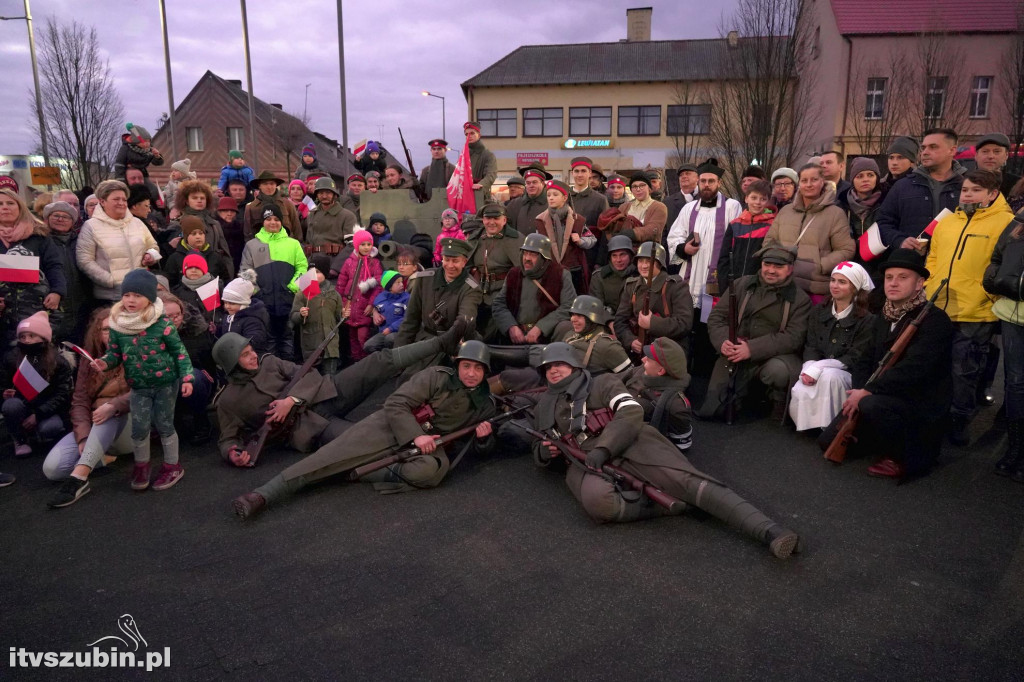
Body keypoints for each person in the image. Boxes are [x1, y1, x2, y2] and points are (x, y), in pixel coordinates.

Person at [528, 343, 799, 558]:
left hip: (631, 443)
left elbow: (631, 410)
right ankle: (674, 506)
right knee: (598, 503)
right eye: (548, 367)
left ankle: (770, 532)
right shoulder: (544, 406)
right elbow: (540, 445)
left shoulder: (602, 383)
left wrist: (604, 448)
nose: (553, 370)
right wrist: (543, 452)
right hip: (585, 464)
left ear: (574, 364)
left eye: (559, 364)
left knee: (690, 483)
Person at [231, 338, 495, 518]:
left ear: (485, 372)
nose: (471, 373)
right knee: (325, 459)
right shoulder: (437, 376)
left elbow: (479, 447)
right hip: (393, 425)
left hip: (429, 446)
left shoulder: (485, 403)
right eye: (466, 366)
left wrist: (483, 439)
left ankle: (361, 472)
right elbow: (396, 403)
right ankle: (263, 495)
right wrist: (416, 435)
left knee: (434, 472)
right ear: (457, 365)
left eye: (478, 369)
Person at [820, 249, 953, 480]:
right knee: (826, 442)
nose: (893, 283)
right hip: (882, 393)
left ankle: (901, 457)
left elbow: (915, 369)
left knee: (872, 405)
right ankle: (877, 439)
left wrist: (867, 393)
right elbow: (865, 359)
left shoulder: (936, 320)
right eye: (889, 277)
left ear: (919, 283)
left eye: (903, 277)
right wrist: (859, 392)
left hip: (918, 401)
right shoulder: (884, 315)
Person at [925, 169, 1012, 445]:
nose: (967, 194)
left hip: (976, 311)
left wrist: (989, 297)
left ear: (992, 193)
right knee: (936, 366)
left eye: (975, 190)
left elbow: (1005, 267)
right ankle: (935, 416)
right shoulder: (948, 222)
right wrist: (929, 285)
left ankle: (959, 420)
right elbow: (933, 257)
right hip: (939, 305)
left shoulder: (1006, 223)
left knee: (965, 370)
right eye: (965, 190)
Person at [91, 269, 194, 491]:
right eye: (127, 295)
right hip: (138, 386)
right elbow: (115, 354)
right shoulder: (119, 325)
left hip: (166, 383)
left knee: (165, 424)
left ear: (149, 297)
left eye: (137, 295)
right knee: (139, 427)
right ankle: (141, 465)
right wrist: (104, 362)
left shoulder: (162, 323)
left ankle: (172, 465)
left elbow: (180, 352)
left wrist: (187, 378)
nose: (130, 300)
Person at [700, 246, 811, 421]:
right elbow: (717, 318)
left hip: (773, 356)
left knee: (778, 372)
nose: (771, 270)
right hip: (735, 352)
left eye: (778, 267)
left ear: (790, 269)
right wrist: (723, 342)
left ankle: (776, 402)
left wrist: (752, 349)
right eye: (767, 264)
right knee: (715, 410)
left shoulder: (800, 299)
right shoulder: (741, 284)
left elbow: (793, 337)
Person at [43, 309, 133, 506]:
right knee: (53, 469)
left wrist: (114, 405)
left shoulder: (140, 353)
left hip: (131, 425)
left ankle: (79, 478)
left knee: (107, 409)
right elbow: (80, 401)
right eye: (107, 329)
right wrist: (83, 436)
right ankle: (100, 457)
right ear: (98, 334)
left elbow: (146, 391)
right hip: (97, 425)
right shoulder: (89, 359)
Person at [789, 262, 875, 431]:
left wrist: (818, 367)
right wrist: (808, 368)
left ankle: (831, 429)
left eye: (842, 282)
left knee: (831, 376)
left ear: (855, 288)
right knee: (803, 385)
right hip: (819, 368)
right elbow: (811, 344)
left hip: (847, 373)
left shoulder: (867, 320)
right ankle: (810, 425)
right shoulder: (819, 311)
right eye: (833, 280)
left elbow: (855, 356)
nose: (835, 286)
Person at [762, 163, 855, 302]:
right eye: (804, 180)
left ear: (822, 182)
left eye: (814, 179)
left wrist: (821, 265)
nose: (809, 184)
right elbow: (769, 240)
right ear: (799, 184)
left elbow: (846, 249)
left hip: (815, 288)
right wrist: (777, 263)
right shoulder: (786, 211)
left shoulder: (835, 214)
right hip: (783, 284)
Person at [667, 158, 744, 313]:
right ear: (698, 183)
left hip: (717, 275)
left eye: (711, 181)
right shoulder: (688, 208)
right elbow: (674, 236)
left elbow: (737, 241)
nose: (706, 185)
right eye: (703, 181)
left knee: (710, 318)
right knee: (689, 317)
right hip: (691, 272)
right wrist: (683, 249)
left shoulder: (732, 207)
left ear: (719, 183)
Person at [394, 238, 481, 371]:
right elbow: (410, 321)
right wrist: (398, 355)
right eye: (447, 259)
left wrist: (449, 344)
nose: (450, 265)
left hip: (453, 343)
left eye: (455, 261)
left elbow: (464, 320)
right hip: (425, 340)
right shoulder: (425, 279)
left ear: (464, 261)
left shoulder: (471, 288)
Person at [487, 294, 631, 375]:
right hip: (552, 374)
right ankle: (484, 350)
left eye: (579, 316)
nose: (573, 319)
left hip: (575, 389)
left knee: (511, 377)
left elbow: (629, 376)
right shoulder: (571, 335)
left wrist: (600, 387)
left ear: (593, 318)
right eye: (572, 315)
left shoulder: (608, 346)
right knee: (530, 358)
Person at [876, 128, 966, 255]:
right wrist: (900, 241)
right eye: (923, 148)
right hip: (912, 264)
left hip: (954, 263)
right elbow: (883, 222)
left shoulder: (967, 186)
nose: (925, 152)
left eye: (933, 147)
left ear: (952, 150)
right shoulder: (902, 186)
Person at [983, 208, 1024, 480]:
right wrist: (994, 279)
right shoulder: (1019, 220)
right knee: (1016, 384)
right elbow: (996, 257)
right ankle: (1016, 449)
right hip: (1013, 312)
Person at [1, 312, 73, 458]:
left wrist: (38, 414)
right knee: (10, 406)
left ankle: (40, 434)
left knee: (51, 427)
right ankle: (20, 439)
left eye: (32, 336)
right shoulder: (10, 358)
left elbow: (62, 394)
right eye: (22, 336)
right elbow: (2, 383)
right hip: (21, 406)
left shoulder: (59, 362)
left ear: (44, 338)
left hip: (46, 410)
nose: (26, 340)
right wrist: (3, 392)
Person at [240, 203, 307, 358]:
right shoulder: (252, 245)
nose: (273, 222)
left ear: (282, 222)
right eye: (268, 219)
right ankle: (272, 373)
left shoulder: (293, 244)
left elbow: (302, 266)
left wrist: (292, 287)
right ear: (263, 222)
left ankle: (289, 372)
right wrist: (257, 292)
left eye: (276, 219)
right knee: (268, 341)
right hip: (263, 303)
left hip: (289, 301)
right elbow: (245, 271)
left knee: (288, 339)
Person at [0, 190, 67, 343]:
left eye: (10, 203)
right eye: (0, 204)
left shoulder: (38, 235)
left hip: (34, 312)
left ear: (20, 207)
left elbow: (54, 266)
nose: (5, 207)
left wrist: (57, 291)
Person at [77, 180, 159, 304]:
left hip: (141, 292)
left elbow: (153, 246)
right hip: (110, 296)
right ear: (102, 201)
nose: (121, 203)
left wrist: (151, 256)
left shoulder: (137, 223)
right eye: (116, 199)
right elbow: (84, 260)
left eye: (124, 199)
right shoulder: (91, 226)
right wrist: (110, 280)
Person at [492, 233, 575, 345]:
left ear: (544, 257)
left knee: (565, 326)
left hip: (547, 335)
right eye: (525, 253)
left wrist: (541, 327)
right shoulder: (514, 274)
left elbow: (568, 306)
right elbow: (499, 304)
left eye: (533, 254)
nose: (527, 258)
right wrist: (511, 327)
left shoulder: (560, 274)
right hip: (517, 335)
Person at [613, 241, 693, 356]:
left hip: (668, 350)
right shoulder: (632, 286)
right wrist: (631, 341)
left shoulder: (676, 286)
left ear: (659, 264)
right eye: (640, 261)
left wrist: (652, 324)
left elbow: (684, 324)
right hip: (639, 352)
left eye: (649, 261)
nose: (644, 266)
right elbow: (620, 321)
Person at [623, 336, 692, 451]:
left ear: (660, 371)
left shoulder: (677, 407)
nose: (643, 359)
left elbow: (682, 445)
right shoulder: (642, 371)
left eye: (649, 360)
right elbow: (615, 380)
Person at [534, 179, 596, 293]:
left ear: (564, 197)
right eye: (548, 195)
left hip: (573, 270)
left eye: (555, 195)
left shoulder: (577, 219)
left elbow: (592, 239)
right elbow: (537, 246)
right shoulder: (540, 221)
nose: (551, 198)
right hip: (549, 270)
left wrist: (580, 241)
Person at [43, 201, 90, 342]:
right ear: (47, 219)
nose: (60, 219)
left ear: (73, 222)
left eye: (66, 217)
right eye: (55, 215)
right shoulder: (41, 241)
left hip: (81, 305)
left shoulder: (81, 241)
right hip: (52, 306)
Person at [289, 254, 344, 374]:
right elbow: (293, 316)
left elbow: (339, 317)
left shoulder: (334, 294)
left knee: (329, 377)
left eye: (317, 271)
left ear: (325, 273)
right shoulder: (303, 292)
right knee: (312, 378)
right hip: (311, 344)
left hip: (330, 345)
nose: (313, 275)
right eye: (310, 271)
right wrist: (300, 314)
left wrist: (344, 315)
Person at [717, 180, 775, 292]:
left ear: (768, 201)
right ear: (746, 198)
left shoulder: (771, 225)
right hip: (734, 285)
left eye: (763, 199)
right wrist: (724, 284)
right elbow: (723, 258)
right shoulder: (735, 225)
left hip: (758, 287)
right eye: (754, 198)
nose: (758, 202)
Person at [169, 180, 233, 278]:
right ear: (186, 200)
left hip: (212, 276)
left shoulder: (214, 224)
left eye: (202, 198)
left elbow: (225, 255)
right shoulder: (177, 224)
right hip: (187, 278)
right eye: (194, 198)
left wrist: (228, 278)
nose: (199, 200)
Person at [336, 230, 382, 362]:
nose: (366, 247)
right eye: (363, 244)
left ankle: (366, 362)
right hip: (350, 306)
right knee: (352, 338)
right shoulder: (349, 262)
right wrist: (341, 304)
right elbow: (341, 283)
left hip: (364, 306)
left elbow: (378, 285)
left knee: (363, 338)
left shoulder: (375, 263)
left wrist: (371, 303)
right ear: (357, 245)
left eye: (369, 244)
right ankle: (356, 361)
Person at [164, 216, 229, 289]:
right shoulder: (175, 258)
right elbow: (170, 284)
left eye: (201, 233)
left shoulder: (215, 256)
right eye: (193, 234)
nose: (198, 237)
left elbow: (225, 281)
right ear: (186, 237)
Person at [589, 234, 638, 324]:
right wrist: (609, 321)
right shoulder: (599, 276)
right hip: (606, 322)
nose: (618, 260)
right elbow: (596, 306)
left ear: (630, 256)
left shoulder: (639, 275)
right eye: (614, 256)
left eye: (622, 255)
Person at [218, 273, 270, 353]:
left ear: (243, 303)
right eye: (225, 303)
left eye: (232, 303)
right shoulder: (228, 316)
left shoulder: (253, 321)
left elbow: (254, 343)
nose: (227, 306)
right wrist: (216, 329)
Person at [243, 171, 302, 241]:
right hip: (262, 247)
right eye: (265, 184)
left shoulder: (287, 204)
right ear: (259, 186)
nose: (269, 187)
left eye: (272, 183)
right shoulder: (251, 207)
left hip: (285, 247)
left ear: (276, 185)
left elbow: (296, 229)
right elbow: (248, 233)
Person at [618, 172, 668, 245]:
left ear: (649, 188)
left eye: (642, 185)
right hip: (624, 249)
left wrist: (630, 233)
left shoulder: (659, 207)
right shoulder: (624, 207)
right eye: (634, 186)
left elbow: (652, 230)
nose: (638, 189)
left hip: (647, 251)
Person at [306, 176, 357, 248]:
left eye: (328, 193)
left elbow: (350, 246)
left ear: (334, 195)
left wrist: (339, 259)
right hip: (312, 257)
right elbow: (308, 240)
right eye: (320, 193)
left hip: (336, 257)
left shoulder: (347, 216)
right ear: (317, 195)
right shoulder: (312, 214)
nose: (324, 196)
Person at [171, 253, 222, 324]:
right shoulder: (178, 291)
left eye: (197, 268)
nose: (193, 270)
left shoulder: (216, 286)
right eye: (189, 268)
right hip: (191, 330)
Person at [366, 269, 408, 354]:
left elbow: (408, 317)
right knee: (368, 346)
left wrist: (391, 328)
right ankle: (381, 363)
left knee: (390, 339)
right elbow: (376, 308)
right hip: (384, 331)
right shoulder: (380, 298)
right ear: (389, 286)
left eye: (401, 282)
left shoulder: (407, 298)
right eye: (398, 282)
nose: (401, 284)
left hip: (399, 332)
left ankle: (394, 361)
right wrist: (375, 314)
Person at [506, 162, 551, 234]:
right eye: (528, 183)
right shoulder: (514, 204)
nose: (531, 185)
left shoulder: (552, 203)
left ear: (542, 183)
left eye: (535, 182)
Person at [974, 132, 1021, 198]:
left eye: (997, 151)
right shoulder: (963, 183)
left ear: (1006, 155)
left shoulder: (1018, 186)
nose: (990, 156)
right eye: (985, 151)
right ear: (976, 155)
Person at [465, 121, 498, 205]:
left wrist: (480, 184)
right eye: (466, 134)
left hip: (480, 198)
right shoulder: (464, 155)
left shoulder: (488, 155)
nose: (469, 136)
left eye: (472, 133)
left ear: (479, 135)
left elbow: (491, 175)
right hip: (464, 197)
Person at [215, 196, 245, 274]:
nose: (229, 214)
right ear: (219, 212)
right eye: (225, 211)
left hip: (238, 267)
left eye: (232, 211)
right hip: (219, 268)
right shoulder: (214, 228)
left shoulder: (240, 228)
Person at [665, 163, 699, 230]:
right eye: (681, 175)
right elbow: (664, 231)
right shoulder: (668, 203)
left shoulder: (707, 198)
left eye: (687, 173)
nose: (684, 176)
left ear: (698, 178)